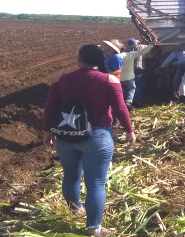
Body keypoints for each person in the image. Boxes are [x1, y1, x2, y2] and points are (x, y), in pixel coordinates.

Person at [43, 44, 136, 236]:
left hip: (66, 136)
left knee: (70, 175)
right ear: (101, 60)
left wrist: (47, 131)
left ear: (80, 59)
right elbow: (120, 109)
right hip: (97, 136)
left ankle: (75, 210)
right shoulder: (109, 80)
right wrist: (129, 131)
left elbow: (50, 107)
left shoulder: (61, 80)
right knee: (95, 183)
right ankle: (94, 228)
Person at [119, 39, 153, 110]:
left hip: (126, 73)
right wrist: (152, 44)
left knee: (125, 88)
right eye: (137, 42)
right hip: (137, 70)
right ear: (135, 44)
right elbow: (146, 49)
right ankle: (136, 101)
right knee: (138, 85)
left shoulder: (124, 51)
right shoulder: (138, 48)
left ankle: (126, 101)